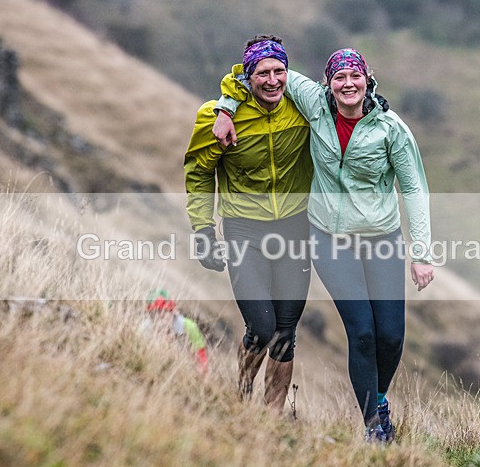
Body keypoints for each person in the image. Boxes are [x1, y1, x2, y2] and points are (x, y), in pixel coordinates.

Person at [213, 47, 434, 443]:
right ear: (327, 84)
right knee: (362, 333)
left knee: (391, 336)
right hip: (330, 241)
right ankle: (372, 427)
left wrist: (421, 254)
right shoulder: (314, 103)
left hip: (382, 239)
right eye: (339, 79)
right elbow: (256, 71)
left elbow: (414, 188)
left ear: (368, 80)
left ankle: (380, 399)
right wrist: (226, 108)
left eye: (355, 77)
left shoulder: (391, 128)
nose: (347, 85)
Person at [184, 35, 313, 410]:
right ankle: (241, 394)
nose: (272, 80)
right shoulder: (217, 115)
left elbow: (343, 100)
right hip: (245, 228)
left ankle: (271, 418)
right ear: (247, 77)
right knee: (261, 326)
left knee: (286, 334)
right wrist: (203, 231)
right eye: (262, 73)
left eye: (279, 71)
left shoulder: (301, 107)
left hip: (295, 228)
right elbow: (198, 173)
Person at [142, 290, 209, 376]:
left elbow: (202, 358)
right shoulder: (144, 329)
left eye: (163, 314)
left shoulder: (189, 327)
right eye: (153, 315)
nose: (159, 321)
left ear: (173, 312)